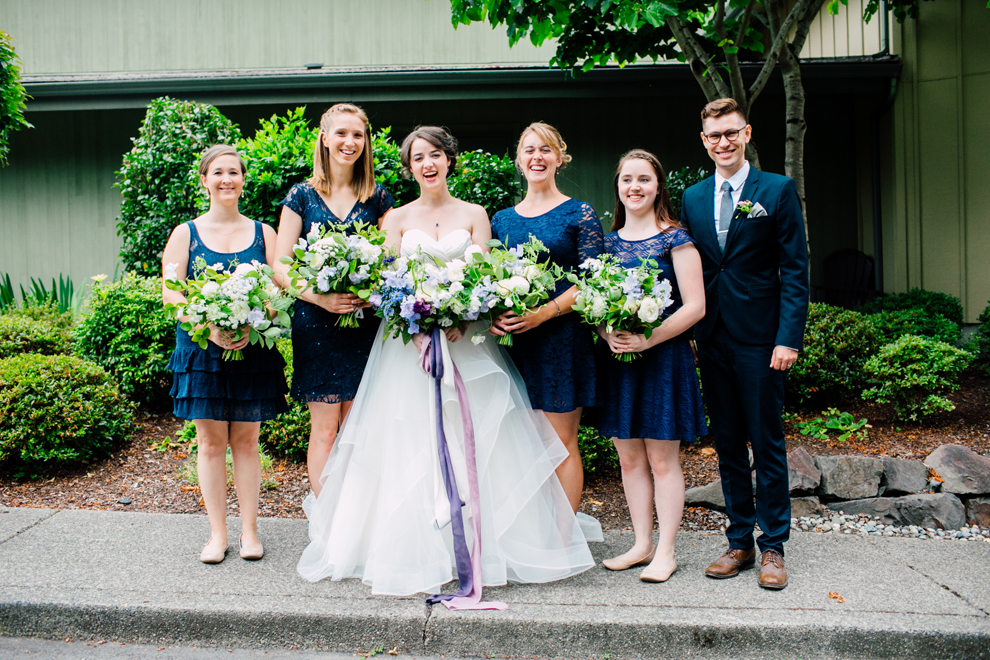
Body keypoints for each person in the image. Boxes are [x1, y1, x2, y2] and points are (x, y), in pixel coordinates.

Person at [297, 127, 594, 597]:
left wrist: (465, 318)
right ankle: (417, 548)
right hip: (409, 352)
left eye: (435, 154)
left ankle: (482, 543)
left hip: (466, 346)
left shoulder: (477, 215)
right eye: (418, 158)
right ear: (410, 167)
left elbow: (488, 280)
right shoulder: (394, 218)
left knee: (476, 438)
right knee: (408, 441)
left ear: (449, 161)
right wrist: (415, 324)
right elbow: (382, 286)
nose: (428, 163)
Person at [680, 98, 809, 590]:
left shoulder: (775, 189)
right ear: (704, 141)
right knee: (729, 444)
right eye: (714, 136)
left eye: (731, 133)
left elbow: (795, 270)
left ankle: (774, 545)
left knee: (767, 443)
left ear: (748, 133)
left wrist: (787, 338)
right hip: (710, 339)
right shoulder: (691, 197)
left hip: (761, 340)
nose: (723, 143)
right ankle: (739, 543)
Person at [162, 144, 289, 564]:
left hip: (252, 348)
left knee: (247, 441)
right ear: (204, 180)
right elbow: (170, 292)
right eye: (218, 173)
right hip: (202, 349)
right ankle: (217, 535)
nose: (226, 179)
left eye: (233, 172)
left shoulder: (264, 232)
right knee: (210, 442)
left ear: (243, 179)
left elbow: (277, 288)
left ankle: (250, 532)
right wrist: (208, 325)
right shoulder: (186, 233)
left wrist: (256, 318)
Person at [596, 150, 707, 583]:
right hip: (621, 361)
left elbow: (695, 305)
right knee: (629, 459)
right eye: (627, 180)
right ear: (618, 187)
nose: (635, 187)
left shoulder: (676, 239)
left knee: (662, 461)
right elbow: (595, 303)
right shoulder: (607, 243)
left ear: (658, 186)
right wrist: (608, 334)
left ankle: (666, 551)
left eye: (644, 179)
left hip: (663, 359)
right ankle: (641, 544)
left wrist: (651, 337)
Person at [272, 104, 394, 497]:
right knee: (325, 430)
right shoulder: (301, 195)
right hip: (317, 323)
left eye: (357, 135)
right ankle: (326, 523)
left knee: (360, 427)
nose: (350, 142)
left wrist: (368, 290)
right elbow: (280, 264)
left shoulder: (378, 197)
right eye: (341, 133)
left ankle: (356, 522)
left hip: (365, 323)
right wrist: (318, 297)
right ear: (324, 138)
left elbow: (392, 261)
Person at [490, 122, 604, 518]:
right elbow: (488, 278)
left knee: (560, 441)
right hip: (513, 344)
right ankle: (529, 532)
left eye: (545, 150)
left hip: (561, 340)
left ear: (560, 158)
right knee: (520, 442)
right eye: (529, 150)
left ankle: (562, 536)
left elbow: (592, 281)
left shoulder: (579, 213)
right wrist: (492, 316)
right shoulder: (501, 220)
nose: (537, 156)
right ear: (519, 161)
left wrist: (544, 313)